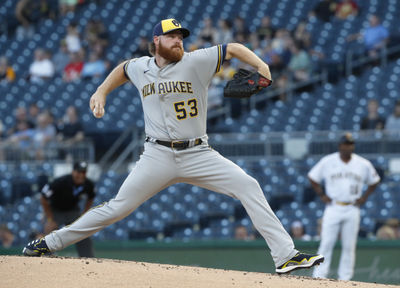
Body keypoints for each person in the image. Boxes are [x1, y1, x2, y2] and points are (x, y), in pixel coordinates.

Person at [22, 18, 323, 274]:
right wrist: (101, 91)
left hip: (198, 152)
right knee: (116, 208)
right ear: (157, 41)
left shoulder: (197, 61)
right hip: (157, 155)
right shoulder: (141, 67)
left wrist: (261, 65)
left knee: (248, 185)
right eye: (173, 36)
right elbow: (123, 69)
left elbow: (232, 48)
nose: (179, 41)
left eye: (181, 36)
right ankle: (49, 243)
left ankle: (285, 256)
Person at [309, 133, 380, 280]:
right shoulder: (328, 161)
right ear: (340, 146)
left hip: (352, 207)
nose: (347, 146)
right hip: (333, 206)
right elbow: (313, 177)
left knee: (349, 246)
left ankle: (345, 279)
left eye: (350, 144)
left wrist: (364, 197)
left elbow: (374, 181)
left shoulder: (363, 163)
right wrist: (321, 194)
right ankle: (319, 276)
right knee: (326, 243)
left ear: (353, 146)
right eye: (345, 144)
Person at [38, 161, 96, 257]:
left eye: (84, 172)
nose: (81, 175)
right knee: (49, 229)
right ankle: (46, 257)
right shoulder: (61, 182)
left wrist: (85, 213)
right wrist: (49, 218)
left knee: (83, 231)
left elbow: (91, 197)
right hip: (56, 210)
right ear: (73, 172)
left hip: (72, 210)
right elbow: (43, 197)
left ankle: (88, 258)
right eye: (79, 172)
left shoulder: (88, 184)